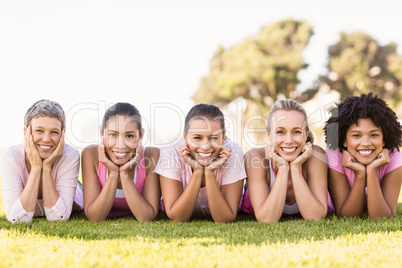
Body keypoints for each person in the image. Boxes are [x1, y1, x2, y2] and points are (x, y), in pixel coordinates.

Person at [155, 103, 246, 223]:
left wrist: (209, 172)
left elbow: (224, 219)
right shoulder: (171, 151)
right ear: (185, 137)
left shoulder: (233, 152)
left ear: (224, 137)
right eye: (197, 138)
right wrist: (197, 171)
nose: (205, 146)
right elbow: (177, 217)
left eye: (214, 138)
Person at [241, 99, 328, 222]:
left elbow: (316, 217)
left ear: (306, 134)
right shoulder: (255, 158)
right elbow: (267, 219)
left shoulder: (316, 156)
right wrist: (282, 168)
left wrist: (295, 168)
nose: (288, 140)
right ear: (269, 136)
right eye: (280, 132)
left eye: (296, 132)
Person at [0, 99, 83, 224]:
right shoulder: (11, 157)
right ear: (26, 132)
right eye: (39, 130)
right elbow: (17, 219)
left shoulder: (70, 155)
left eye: (54, 132)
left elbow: (58, 218)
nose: (46, 139)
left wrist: (47, 167)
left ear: (62, 135)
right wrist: (36, 168)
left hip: (77, 190)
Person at [324, 93, 402, 219]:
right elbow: (347, 216)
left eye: (374, 135)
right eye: (356, 136)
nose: (366, 143)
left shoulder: (395, 157)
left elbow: (382, 217)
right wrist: (360, 175)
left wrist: (371, 171)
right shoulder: (334, 154)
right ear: (344, 140)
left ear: (384, 139)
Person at [81, 102, 160, 222]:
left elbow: (146, 217)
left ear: (141, 135)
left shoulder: (152, 156)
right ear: (102, 132)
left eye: (129, 136)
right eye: (113, 134)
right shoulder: (91, 155)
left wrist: (124, 174)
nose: (120, 145)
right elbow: (95, 217)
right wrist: (113, 173)